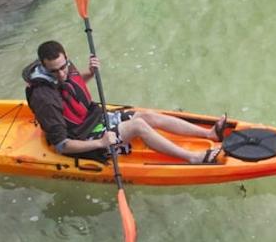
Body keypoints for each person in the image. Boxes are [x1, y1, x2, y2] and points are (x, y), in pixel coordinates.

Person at [22, 40, 226, 164]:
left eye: (63, 66)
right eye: (54, 71)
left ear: (65, 57)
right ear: (43, 66)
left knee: (145, 115)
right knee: (138, 125)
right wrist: (101, 142)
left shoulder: (64, 67)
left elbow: (72, 87)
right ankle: (192, 157)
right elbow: (62, 145)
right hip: (84, 138)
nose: (61, 73)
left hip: (96, 118)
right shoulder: (44, 99)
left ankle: (209, 133)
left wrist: (90, 74)